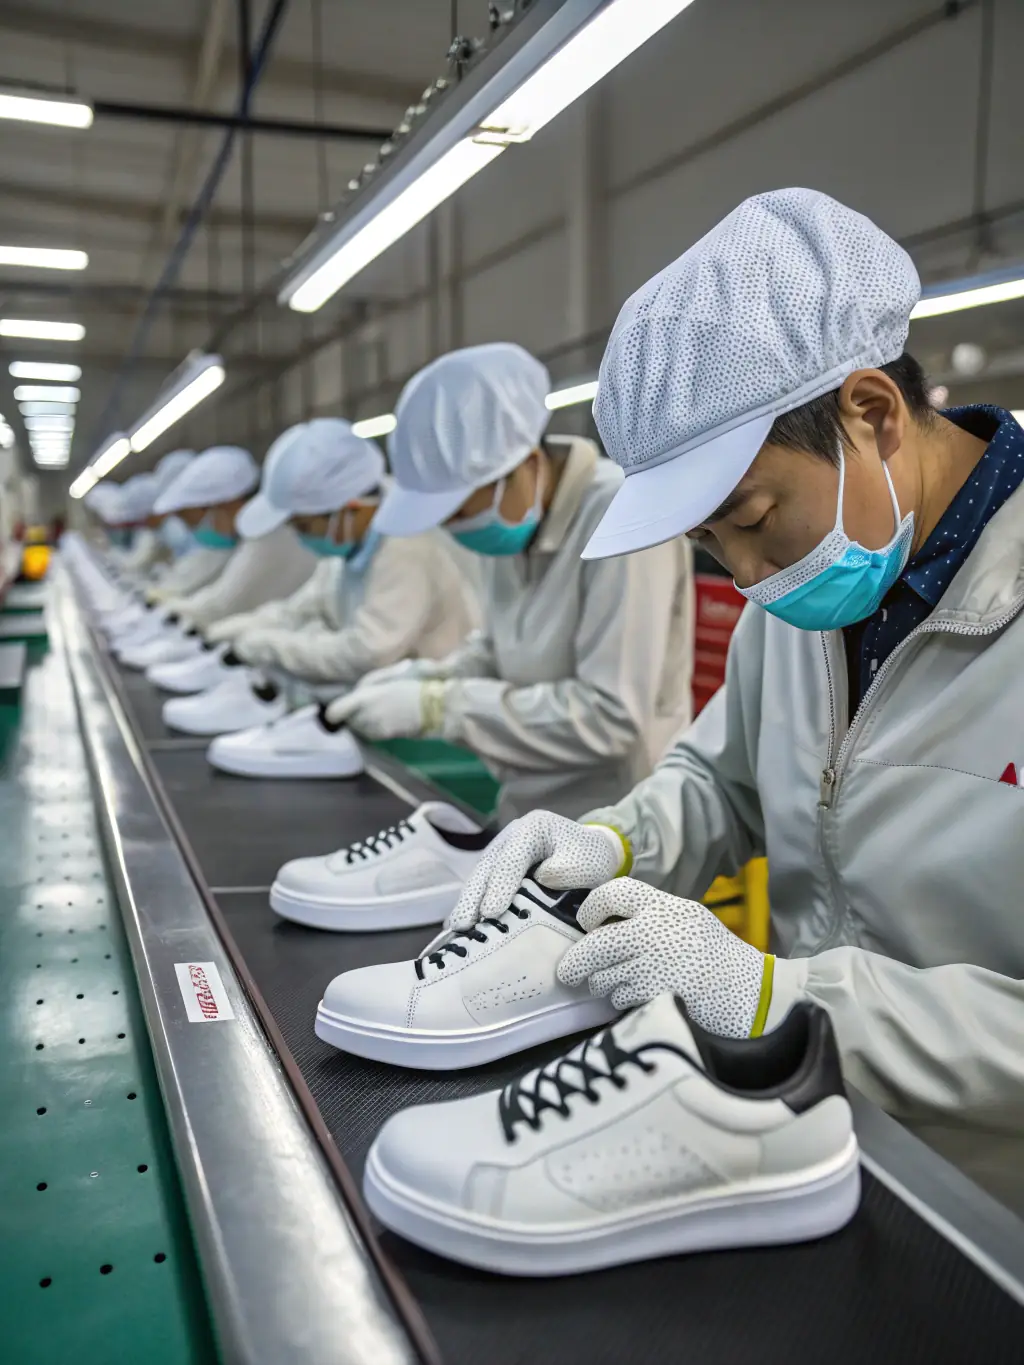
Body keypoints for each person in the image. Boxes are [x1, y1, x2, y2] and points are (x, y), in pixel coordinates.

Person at [453, 188, 1024, 1208]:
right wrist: (612, 842)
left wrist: (782, 995)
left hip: (992, 1209)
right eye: (709, 545)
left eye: (750, 517)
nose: (746, 572)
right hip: (813, 1133)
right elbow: (719, 784)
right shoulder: (810, 587)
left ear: (872, 413)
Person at [327, 342, 695, 819]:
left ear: (524, 465)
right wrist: (430, 677)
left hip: (617, 826)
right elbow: (497, 650)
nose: (458, 528)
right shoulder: (516, 520)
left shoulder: (619, 517)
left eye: (461, 509)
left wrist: (443, 707)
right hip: (527, 808)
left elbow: (609, 718)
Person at [178, 418, 481, 771]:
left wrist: (267, 645)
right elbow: (301, 608)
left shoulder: (404, 546)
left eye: (304, 526)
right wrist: (237, 630)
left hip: (432, 739)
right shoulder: (348, 545)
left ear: (348, 510)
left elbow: (368, 651)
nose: (300, 537)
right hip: (381, 720)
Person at [151, 443, 315, 631]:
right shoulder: (257, 536)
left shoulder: (267, 538)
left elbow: (221, 605)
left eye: (193, 518)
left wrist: (162, 606)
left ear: (227, 504)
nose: (197, 527)